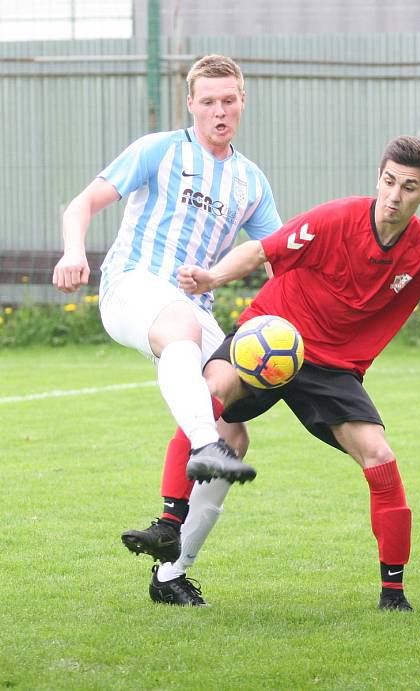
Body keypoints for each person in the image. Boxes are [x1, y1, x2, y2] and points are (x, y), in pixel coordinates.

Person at [134, 134, 420, 609]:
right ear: (379, 177)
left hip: (334, 369)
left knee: (379, 455)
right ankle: (168, 525)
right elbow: (261, 253)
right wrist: (212, 278)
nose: (394, 196)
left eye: (409, 187)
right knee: (210, 395)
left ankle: (393, 594)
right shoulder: (335, 218)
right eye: (389, 181)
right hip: (273, 339)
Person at [52, 54, 282, 564]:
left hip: (193, 307)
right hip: (133, 285)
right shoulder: (158, 150)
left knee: (235, 433)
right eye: (208, 102)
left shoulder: (251, 182)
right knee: (185, 345)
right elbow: (82, 204)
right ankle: (202, 445)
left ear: (243, 100)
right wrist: (73, 250)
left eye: (228, 100)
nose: (219, 111)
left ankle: (172, 560)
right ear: (191, 105)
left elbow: (275, 258)